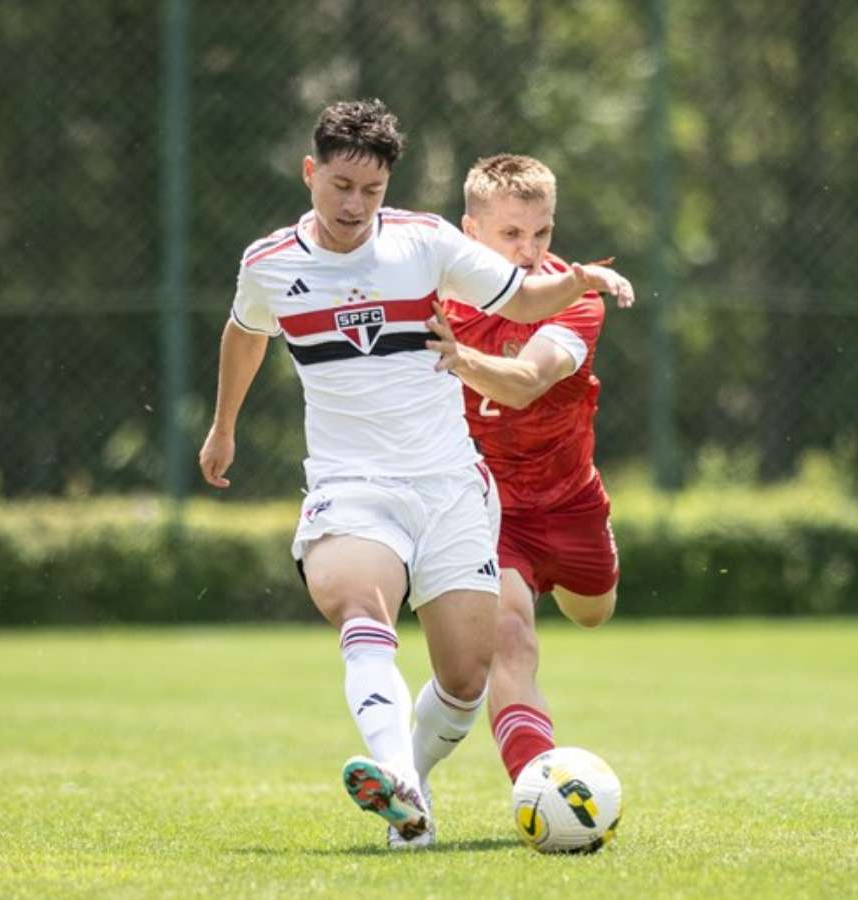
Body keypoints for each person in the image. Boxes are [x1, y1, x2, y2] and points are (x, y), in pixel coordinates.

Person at [196, 101, 634, 848]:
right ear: (311, 173)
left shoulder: (424, 242)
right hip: (351, 486)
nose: (352, 206)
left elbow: (526, 299)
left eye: (369, 191)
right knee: (361, 605)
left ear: (388, 185)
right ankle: (398, 781)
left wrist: (580, 280)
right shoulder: (270, 263)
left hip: (451, 487)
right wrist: (223, 426)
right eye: (339, 186)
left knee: (467, 676)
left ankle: (414, 783)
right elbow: (245, 333)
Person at [423, 154, 621, 791]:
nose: (530, 251)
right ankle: (539, 784)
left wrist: (458, 359)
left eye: (541, 232)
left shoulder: (574, 298)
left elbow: (526, 384)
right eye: (511, 234)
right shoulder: (433, 293)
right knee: (510, 640)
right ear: (470, 231)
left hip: (571, 501)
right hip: (489, 507)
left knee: (594, 612)